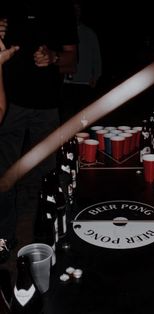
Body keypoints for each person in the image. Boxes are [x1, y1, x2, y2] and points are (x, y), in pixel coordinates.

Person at [0, 0, 78, 263]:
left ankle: (50, 239)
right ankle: (4, 239)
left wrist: (54, 57)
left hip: (46, 107)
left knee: (49, 177)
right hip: (7, 104)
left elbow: (71, 60)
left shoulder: (61, 8)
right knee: (4, 174)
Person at [59, 1, 102, 123]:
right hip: (67, 83)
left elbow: (96, 56)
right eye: (73, 9)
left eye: (78, 9)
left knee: (84, 119)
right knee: (66, 118)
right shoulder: (62, 31)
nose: (76, 12)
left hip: (85, 83)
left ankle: (82, 141)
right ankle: (66, 141)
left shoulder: (89, 33)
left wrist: (96, 75)